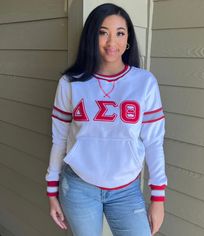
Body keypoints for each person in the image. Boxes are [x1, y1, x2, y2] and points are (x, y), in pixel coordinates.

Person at [45, 3, 167, 236]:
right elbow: (59, 139)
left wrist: (157, 198)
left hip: (126, 191)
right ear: (92, 36)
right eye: (103, 32)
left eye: (120, 33)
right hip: (79, 187)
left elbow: (153, 142)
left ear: (128, 38)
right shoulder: (70, 82)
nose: (112, 42)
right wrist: (51, 190)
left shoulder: (144, 82)